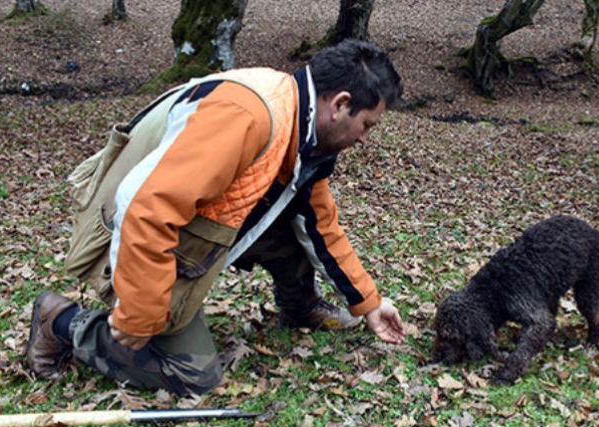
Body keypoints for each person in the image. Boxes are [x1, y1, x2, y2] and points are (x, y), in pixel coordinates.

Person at [26, 39, 406, 395]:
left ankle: (300, 308)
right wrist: (140, 311)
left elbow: (321, 225)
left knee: (295, 231)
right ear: (340, 104)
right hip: (125, 237)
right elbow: (145, 208)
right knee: (194, 376)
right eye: (367, 125)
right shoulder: (248, 116)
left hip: (187, 228)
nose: (363, 138)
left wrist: (369, 304)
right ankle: (61, 322)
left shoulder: (303, 129)